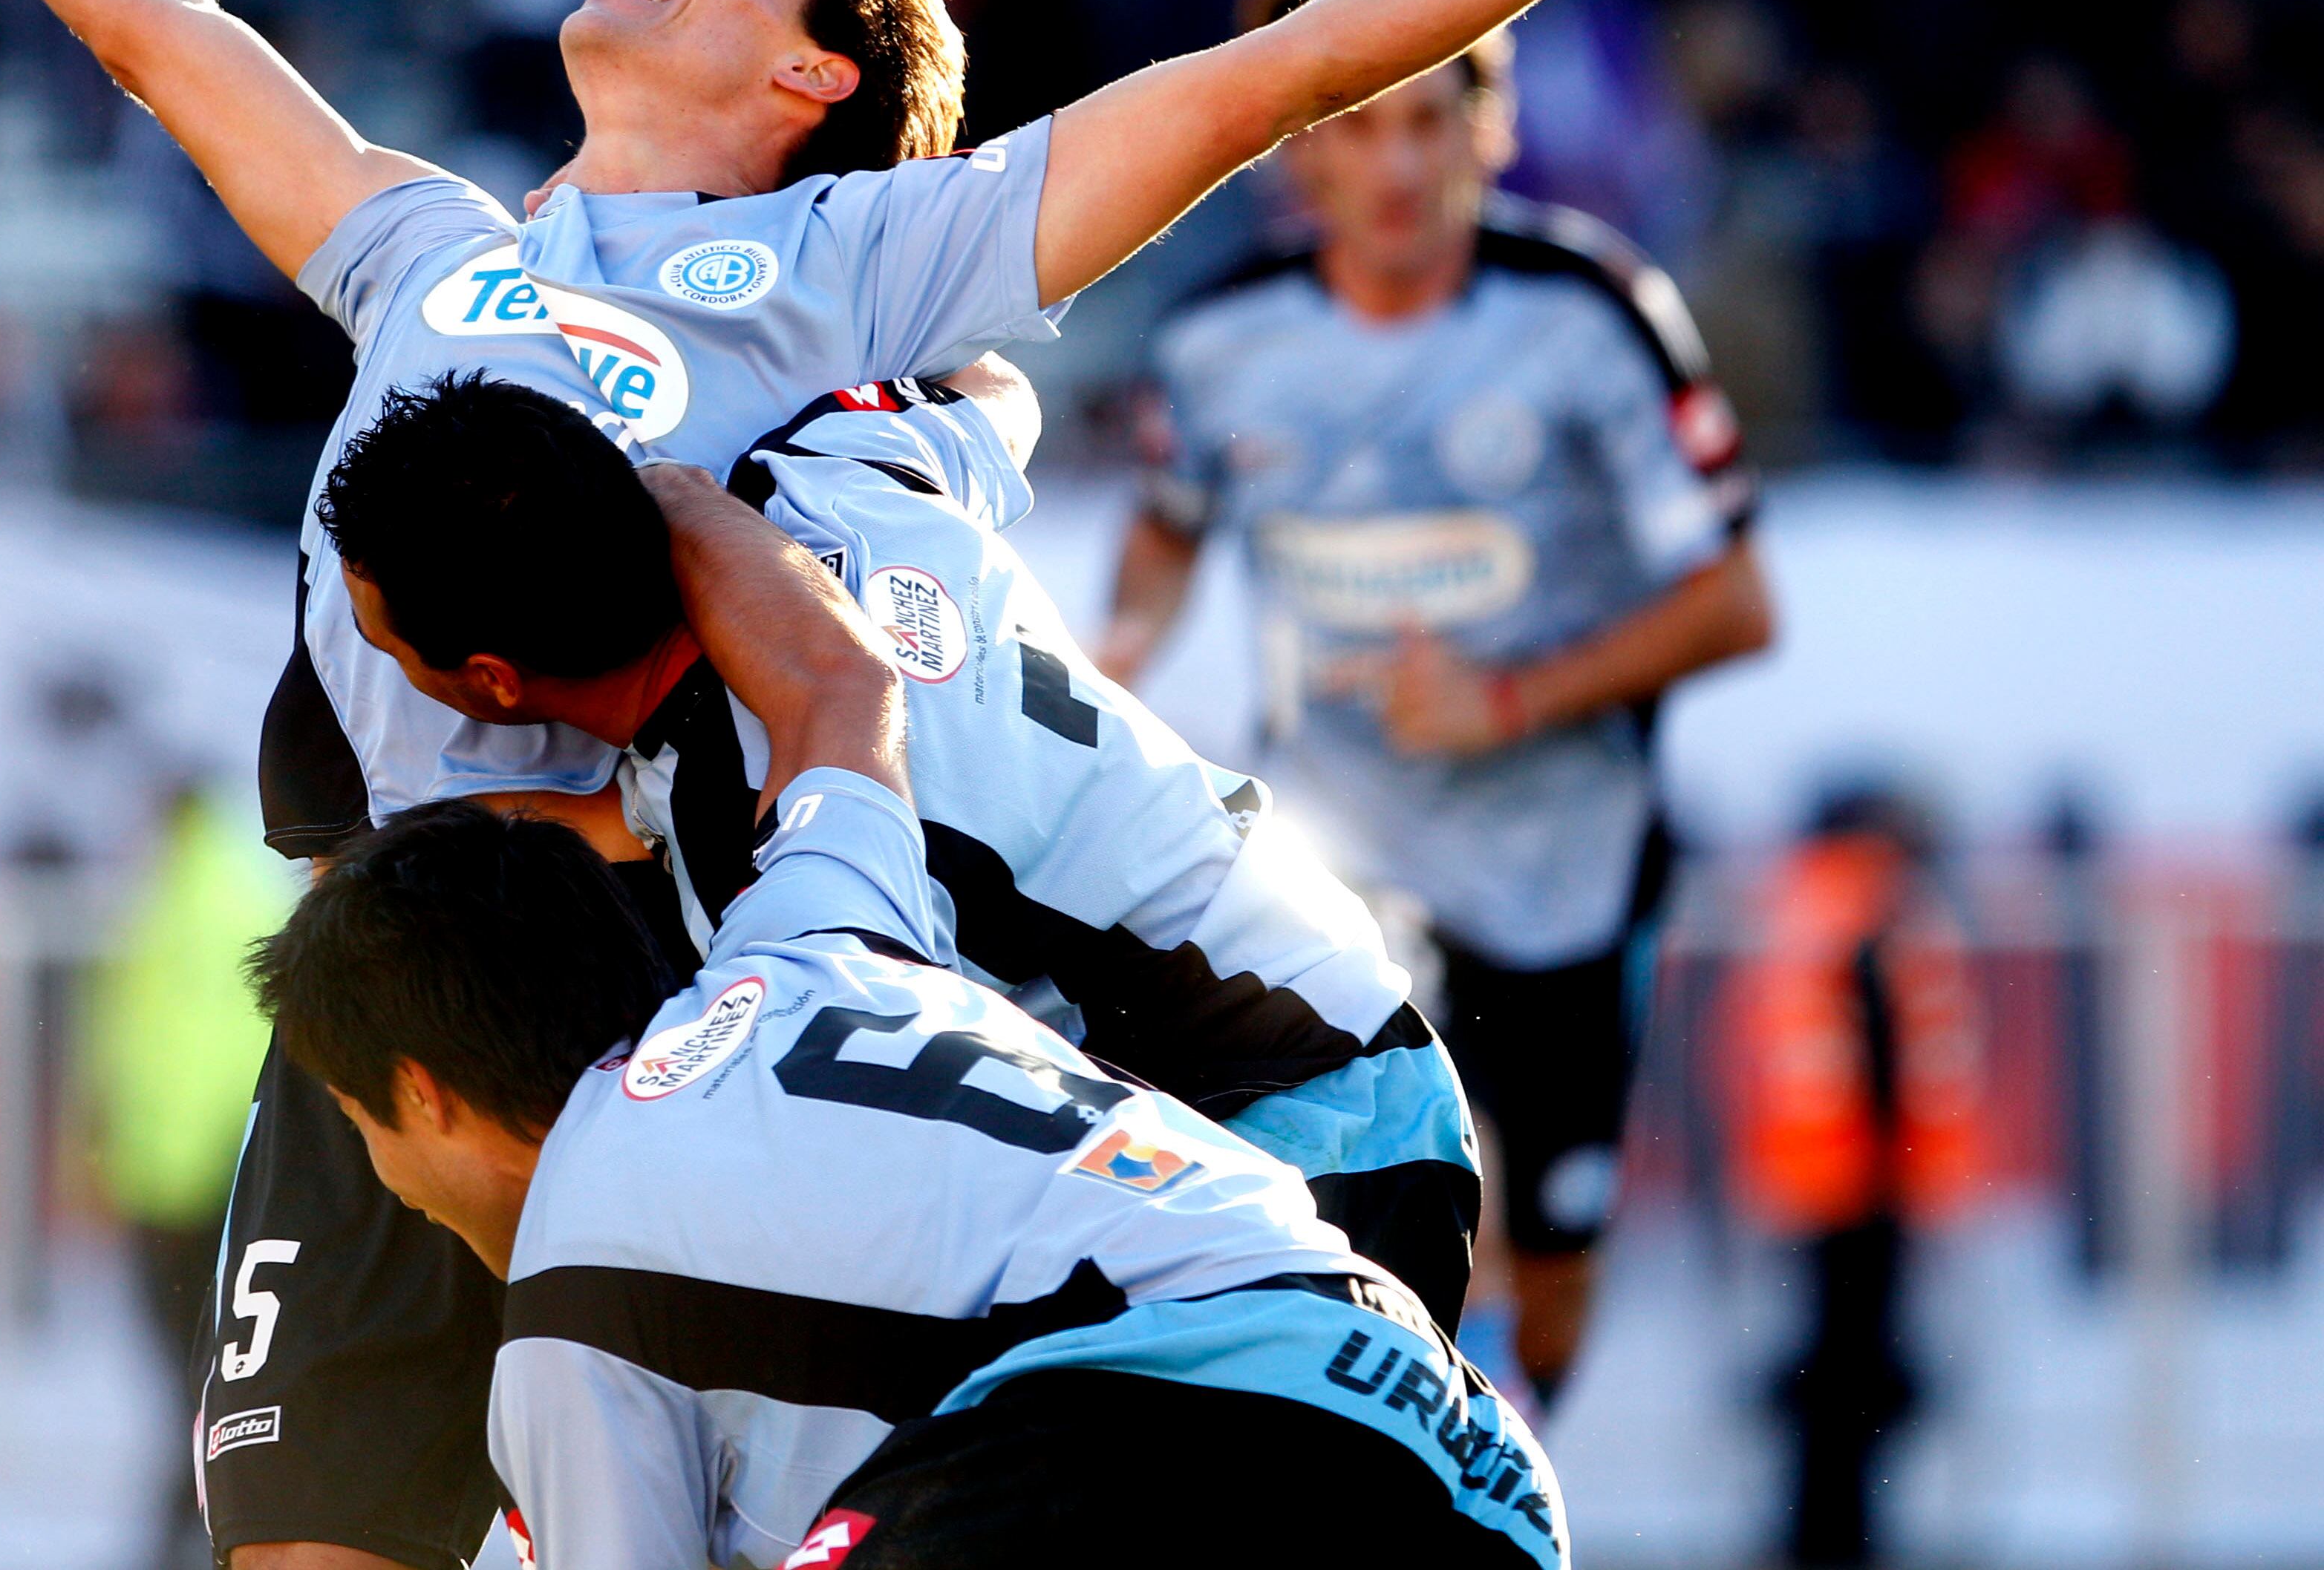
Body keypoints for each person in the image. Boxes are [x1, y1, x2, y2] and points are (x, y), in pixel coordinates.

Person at [0, 0, 1869, 1569]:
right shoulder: (423, 248)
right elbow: (160, 25)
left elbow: (1262, 89)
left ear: (816, 87)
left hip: (622, 1008)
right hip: (385, 963)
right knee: (304, 1549)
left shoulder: (850, 263)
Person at [251, 461, 1563, 1570]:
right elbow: (839, 687)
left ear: (421, 1092)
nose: (389, 1190)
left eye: (362, 1130)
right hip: (1456, 1441)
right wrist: (639, 479)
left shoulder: (570, 1290)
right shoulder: (813, 935)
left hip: (1172, 1385)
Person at [318, 366, 1478, 1328]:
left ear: (493, 683)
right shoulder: (825, 468)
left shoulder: (783, 862)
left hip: (1288, 1131)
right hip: (1327, 1020)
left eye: (379, 639)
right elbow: (997, 390)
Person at [1097, 0, 1776, 1408]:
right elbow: (1166, 525)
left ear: (1490, 127)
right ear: (1295, 156)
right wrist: (1121, 649)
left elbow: (1739, 602)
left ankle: (1511, 1458)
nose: (1397, 167)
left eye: (1430, 117)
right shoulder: (1218, 343)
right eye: (1355, 125)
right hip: (1340, 865)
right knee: (1343, 1231)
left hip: (1562, 864)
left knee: (1555, 1282)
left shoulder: (1593, 313)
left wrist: (1513, 696)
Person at [1725, 792, 1980, 1569]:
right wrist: (1910, 1182)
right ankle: (1839, 1540)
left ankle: (1820, 1533)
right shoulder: (1873, 910)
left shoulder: (1806, 906)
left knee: (1830, 1378)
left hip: (1813, 1181)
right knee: (1852, 1384)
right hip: (1863, 1188)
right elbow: (1888, 1060)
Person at [82, 788, 298, 1570]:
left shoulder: (207, 895)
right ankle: (194, 1528)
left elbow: (203, 1046)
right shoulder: (189, 887)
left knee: (207, 1387)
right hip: (182, 1178)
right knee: (198, 1386)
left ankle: (191, 1531)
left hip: (190, 1185)